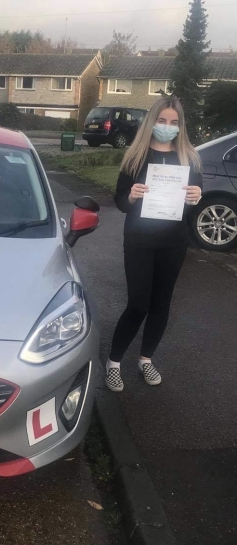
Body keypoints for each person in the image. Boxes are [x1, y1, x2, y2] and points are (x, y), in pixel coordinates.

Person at [105, 97, 203, 392]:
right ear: (152, 122)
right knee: (138, 303)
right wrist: (132, 196)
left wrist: (196, 198)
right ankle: (113, 363)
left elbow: (192, 205)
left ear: (180, 126)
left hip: (173, 242)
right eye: (162, 121)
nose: (167, 127)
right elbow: (120, 201)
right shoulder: (136, 157)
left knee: (161, 304)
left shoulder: (189, 159)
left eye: (174, 123)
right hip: (139, 240)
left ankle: (146, 359)